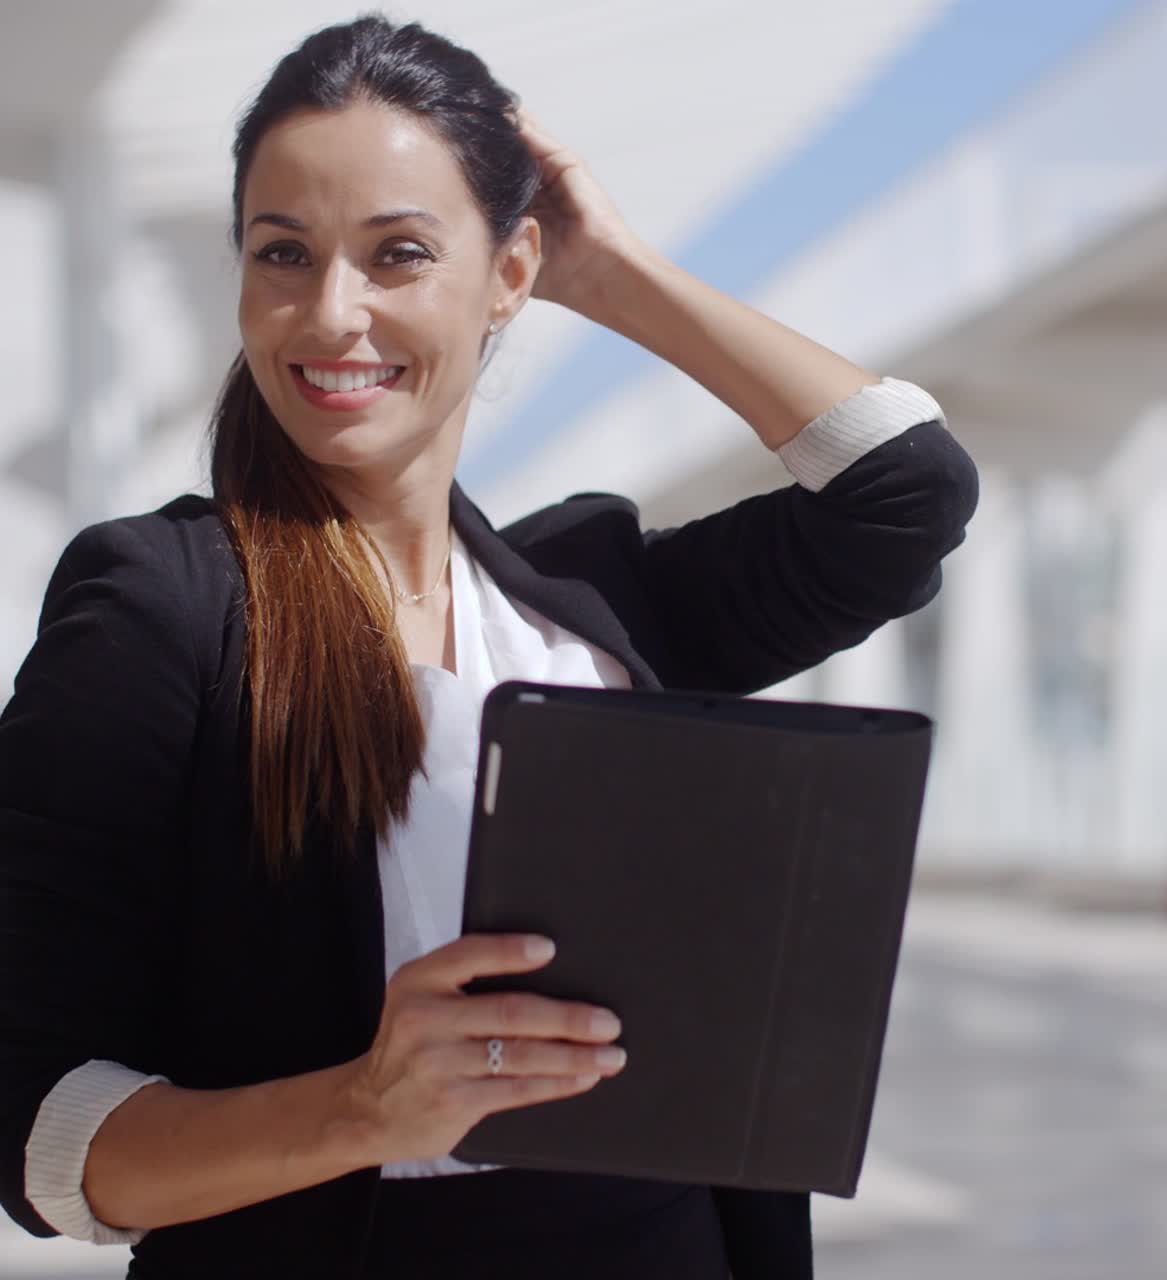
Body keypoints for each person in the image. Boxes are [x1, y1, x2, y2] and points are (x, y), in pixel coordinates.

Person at [0, 14, 978, 1279]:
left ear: (509, 271)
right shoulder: (160, 607)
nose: (331, 313)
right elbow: (36, 1132)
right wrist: (361, 1106)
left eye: (398, 253)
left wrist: (612, 268)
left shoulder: (593, 596)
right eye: (281, 253)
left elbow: (902, 493)